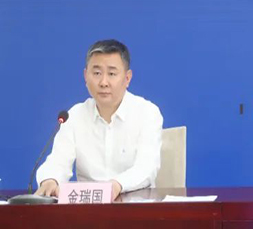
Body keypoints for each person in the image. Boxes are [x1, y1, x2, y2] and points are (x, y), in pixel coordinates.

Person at [35, 39, 163, 199]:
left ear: (127, 78)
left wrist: (116, 185)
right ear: (85, 76)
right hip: (88, 208)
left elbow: (146, 167)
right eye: (96, 73)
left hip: (135, 206)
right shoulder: (74, 116)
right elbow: (58, 161)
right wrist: (50, 179)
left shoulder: (147, 113)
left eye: (112, 74)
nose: (103, 82)